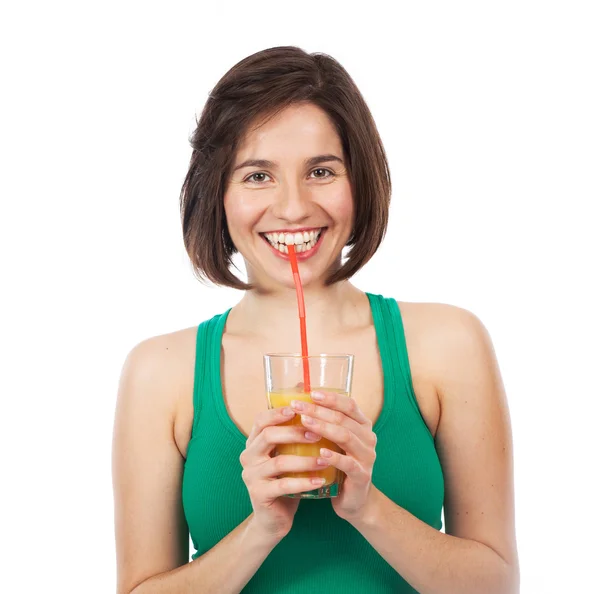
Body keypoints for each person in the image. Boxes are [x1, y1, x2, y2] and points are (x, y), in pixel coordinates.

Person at [112, 46, 519, 594]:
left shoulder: (448, 344)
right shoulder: (159, 372)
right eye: (258, 176)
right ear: (219, 194)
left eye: (321, 171)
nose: (294, 208)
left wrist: (367, 506)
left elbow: (496, 584)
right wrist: (262, 526)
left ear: (361, 181)